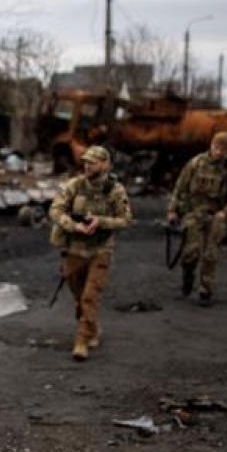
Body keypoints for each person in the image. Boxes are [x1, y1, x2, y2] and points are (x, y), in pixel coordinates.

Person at [48, 146, 133, 361]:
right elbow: (55, 210)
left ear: (105, 164)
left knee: (90, 296)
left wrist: (101, 221)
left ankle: (81, 341)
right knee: (79, 296)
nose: (87, 166)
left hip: (100, 249)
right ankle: (92, 328)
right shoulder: (74, 186)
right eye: (86, 162)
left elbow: (126, 220)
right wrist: (74, 226)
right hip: (75, 249)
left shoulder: (115, 190)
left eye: (93, 162)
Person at [167, 131, 227, 305]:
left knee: (210, 254)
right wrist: (172, 209)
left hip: (217, 214)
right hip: (194, 212)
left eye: (223, 149)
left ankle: (205, 290)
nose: (218, 152)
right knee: (191, 252)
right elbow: (180, 186)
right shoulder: (196, 163)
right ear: (211, 145)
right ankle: (187, 277)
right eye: (216, 147)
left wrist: (225, 211)